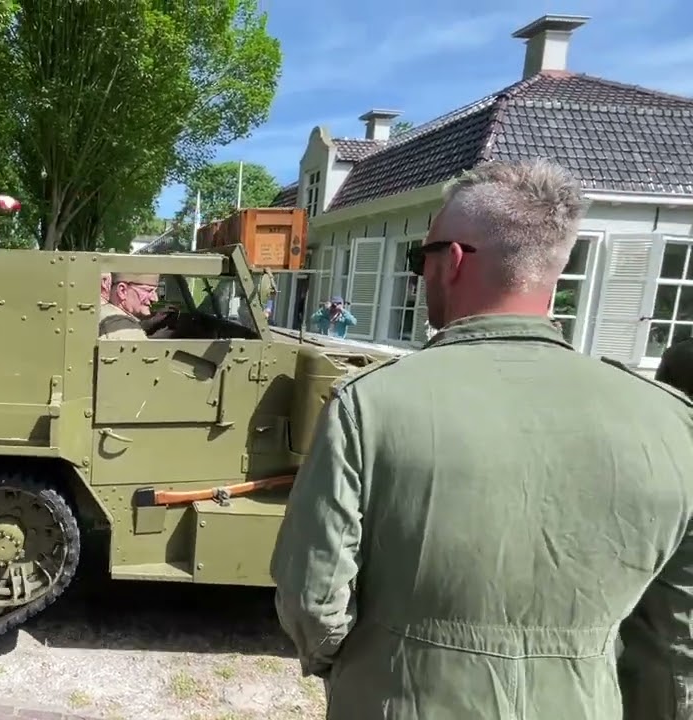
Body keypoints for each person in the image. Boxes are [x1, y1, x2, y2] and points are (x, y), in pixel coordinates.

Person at [268, 159, 693, 720]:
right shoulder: (671, 421)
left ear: (455, 261)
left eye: (421, 258)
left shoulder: (370, 404)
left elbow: (314, 600)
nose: (420, 273)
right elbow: (677, 641)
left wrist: (366, 665)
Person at [98, 272, 158, 340]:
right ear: (122, 291)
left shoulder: (101, 313)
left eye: (155, 291)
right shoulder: (123, 326)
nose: (155, 299)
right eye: (148, 291)